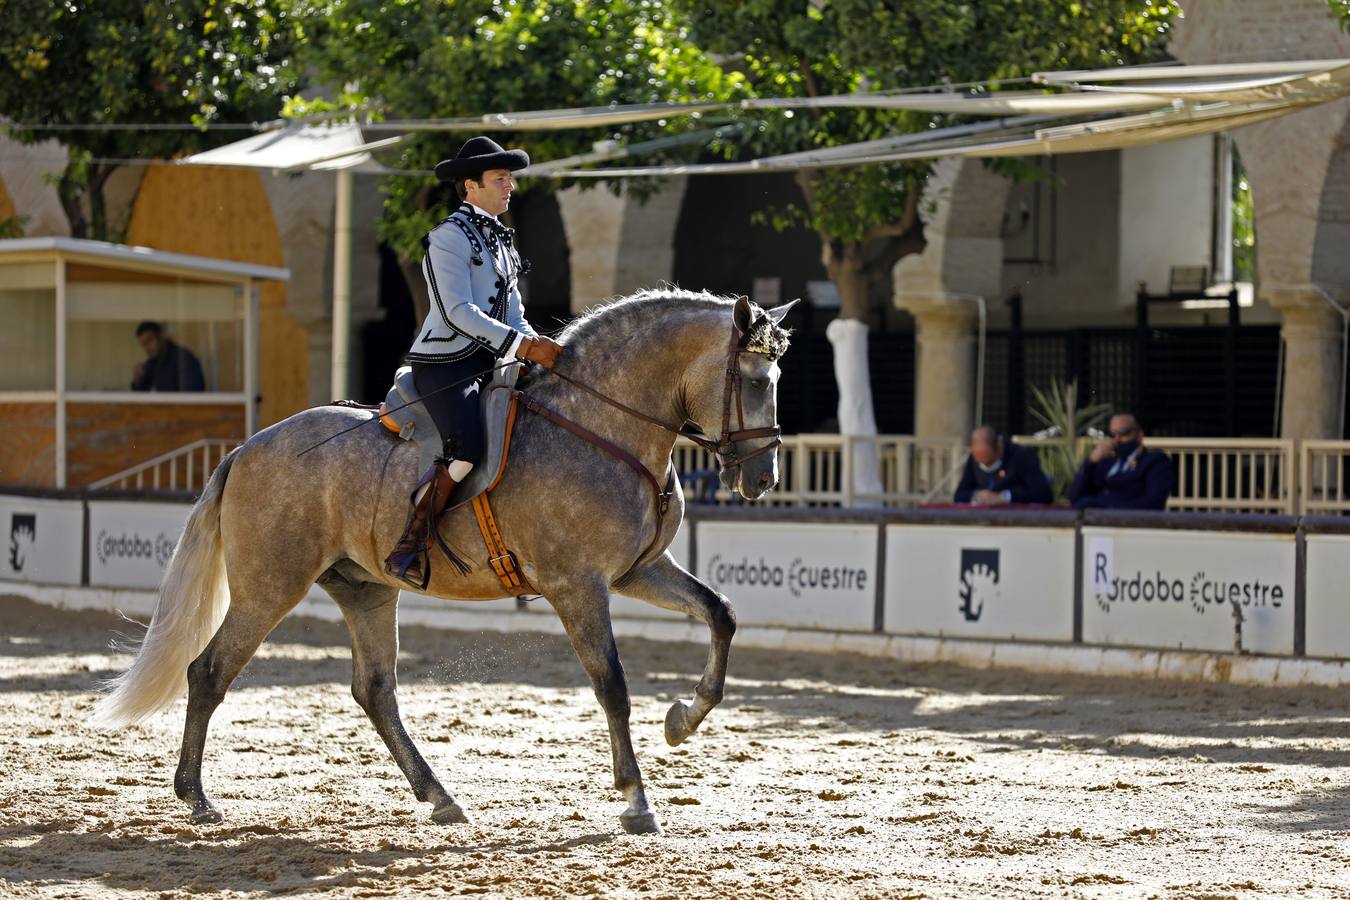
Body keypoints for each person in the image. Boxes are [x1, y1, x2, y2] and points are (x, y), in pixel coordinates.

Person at [384, 136, 564, 588]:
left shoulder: (501, 239)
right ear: (471, 186)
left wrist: (538, 345)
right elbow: (458, 313)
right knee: (466, 446)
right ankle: (412, 539)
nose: (510, 188)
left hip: (493, 361)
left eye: (509, 179)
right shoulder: (447, 237)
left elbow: (514, 310)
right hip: (447, 364)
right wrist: (521, 348)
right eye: (500, 179)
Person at [1068, 412, 1173, 510]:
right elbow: (1076, 497)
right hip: (1096, 521)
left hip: (1128, 521)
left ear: (1139, 436)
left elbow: (1154, 502)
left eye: (1124, 433)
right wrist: (1091, 462)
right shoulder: (1106, 462)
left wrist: (1109, 509)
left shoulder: (1154, 460)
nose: (1117, 439)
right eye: (1112, 434)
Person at [953, 425, 1053, 505]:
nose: (983, 465)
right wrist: (977, 495)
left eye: (988, 461)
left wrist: (1004, 497)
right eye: (979, 461)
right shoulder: (974, 459)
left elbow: (1043, 494)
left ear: (999, 447)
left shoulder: (1021, 456)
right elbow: (960, 495)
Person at [131, 322, 206, 392]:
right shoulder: (151, 364)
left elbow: (193, 395)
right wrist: (138, 381)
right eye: (143, 344)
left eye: (149, 340)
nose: (147, 347)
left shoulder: (183, 359)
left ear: (161, 336)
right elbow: (141, 396)